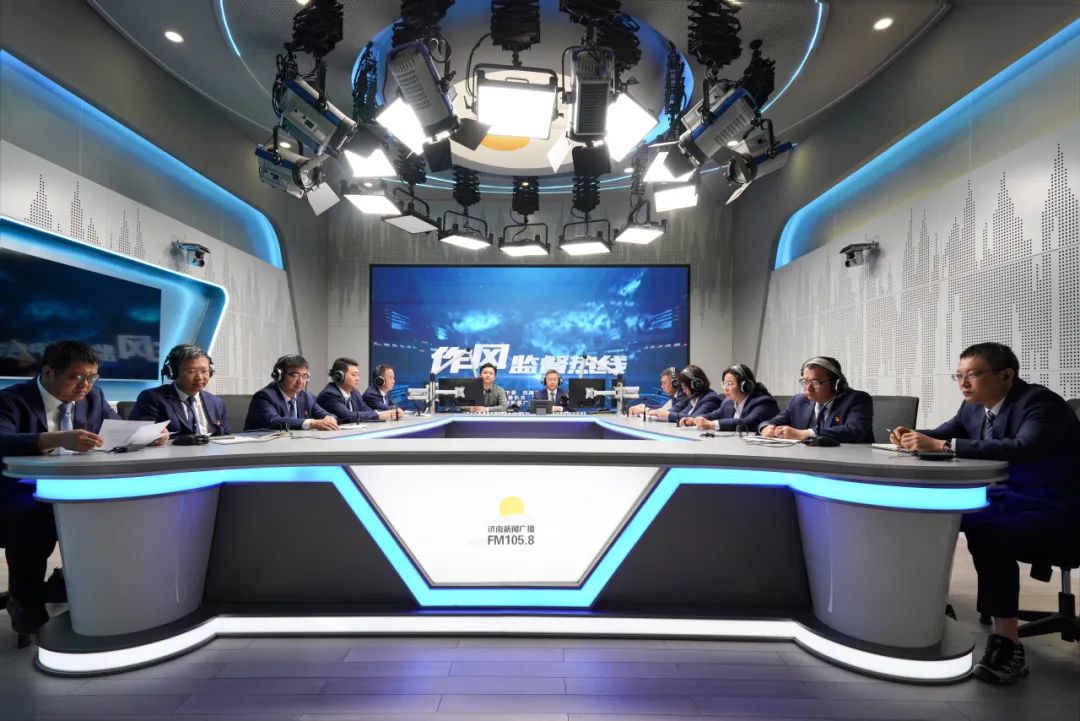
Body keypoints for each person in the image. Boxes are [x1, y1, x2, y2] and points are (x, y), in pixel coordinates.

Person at [890, 342, 1080, 685]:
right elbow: (945, 432)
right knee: (936, 513)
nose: (963, 383)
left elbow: (1025, 447)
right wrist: (913, 436)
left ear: (1006, 375)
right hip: (1009, 498)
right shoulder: (973, 407)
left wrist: (943, 446)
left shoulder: (1040, 403)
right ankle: (932, 604)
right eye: (959, 376)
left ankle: (1008, 643)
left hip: (1056, 507)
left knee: (988, 530)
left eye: (972, 375)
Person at [0, 340, 162, 635]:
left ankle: (88, 590)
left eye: (92, 377)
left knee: (114, 516)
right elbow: (3, 439)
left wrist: (145, 436)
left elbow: (115, 428)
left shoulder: (94, 397)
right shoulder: (12, 399)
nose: (85, 385)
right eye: (76, 377)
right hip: (23, 488)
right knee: (31, 521)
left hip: (79, 485)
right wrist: (57, 439)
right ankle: (25, 602)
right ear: (48, 372)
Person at [760, 356, 874, 443]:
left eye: (815, 382)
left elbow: (855, 430)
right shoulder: (799, 401)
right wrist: (766, 428)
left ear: (835, 384)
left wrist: (804, 434)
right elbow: (772, 422)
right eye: (805, 381)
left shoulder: (857, 399)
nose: (808, 388)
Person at [128, 344, 229, 436]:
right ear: (173, 373)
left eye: (204, 371)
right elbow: (137, 436)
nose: (199, 377)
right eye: (191, 371)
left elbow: (226, 436)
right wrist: (154, 438)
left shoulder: (216, 403)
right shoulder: (152, 398)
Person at [243, 355, 339, 431]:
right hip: (260, 447)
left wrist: (330, 419)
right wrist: (312, 423)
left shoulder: (306, 396)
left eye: (305, 376)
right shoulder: (264, 397)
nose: (300, 381)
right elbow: (273, 421)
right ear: (279, 376)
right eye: (295, 375)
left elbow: (326, 415)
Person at [692, 364, 780, 432]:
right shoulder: (728, 403)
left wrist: (712, 424)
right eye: (724, 384)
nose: (726, 388)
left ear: (745, 386)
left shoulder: (763, 402)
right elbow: (714, 415)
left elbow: (748, 422)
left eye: (730, 384)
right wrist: (694, 420)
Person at [316, 358, 402, 423]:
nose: (357, 379)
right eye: (354, 375)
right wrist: (378, 415)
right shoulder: (329, 394)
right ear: (339, 376)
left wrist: (384, 414)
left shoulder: (354, 393)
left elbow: (366, 409)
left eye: (358, 375)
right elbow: (347, 416)